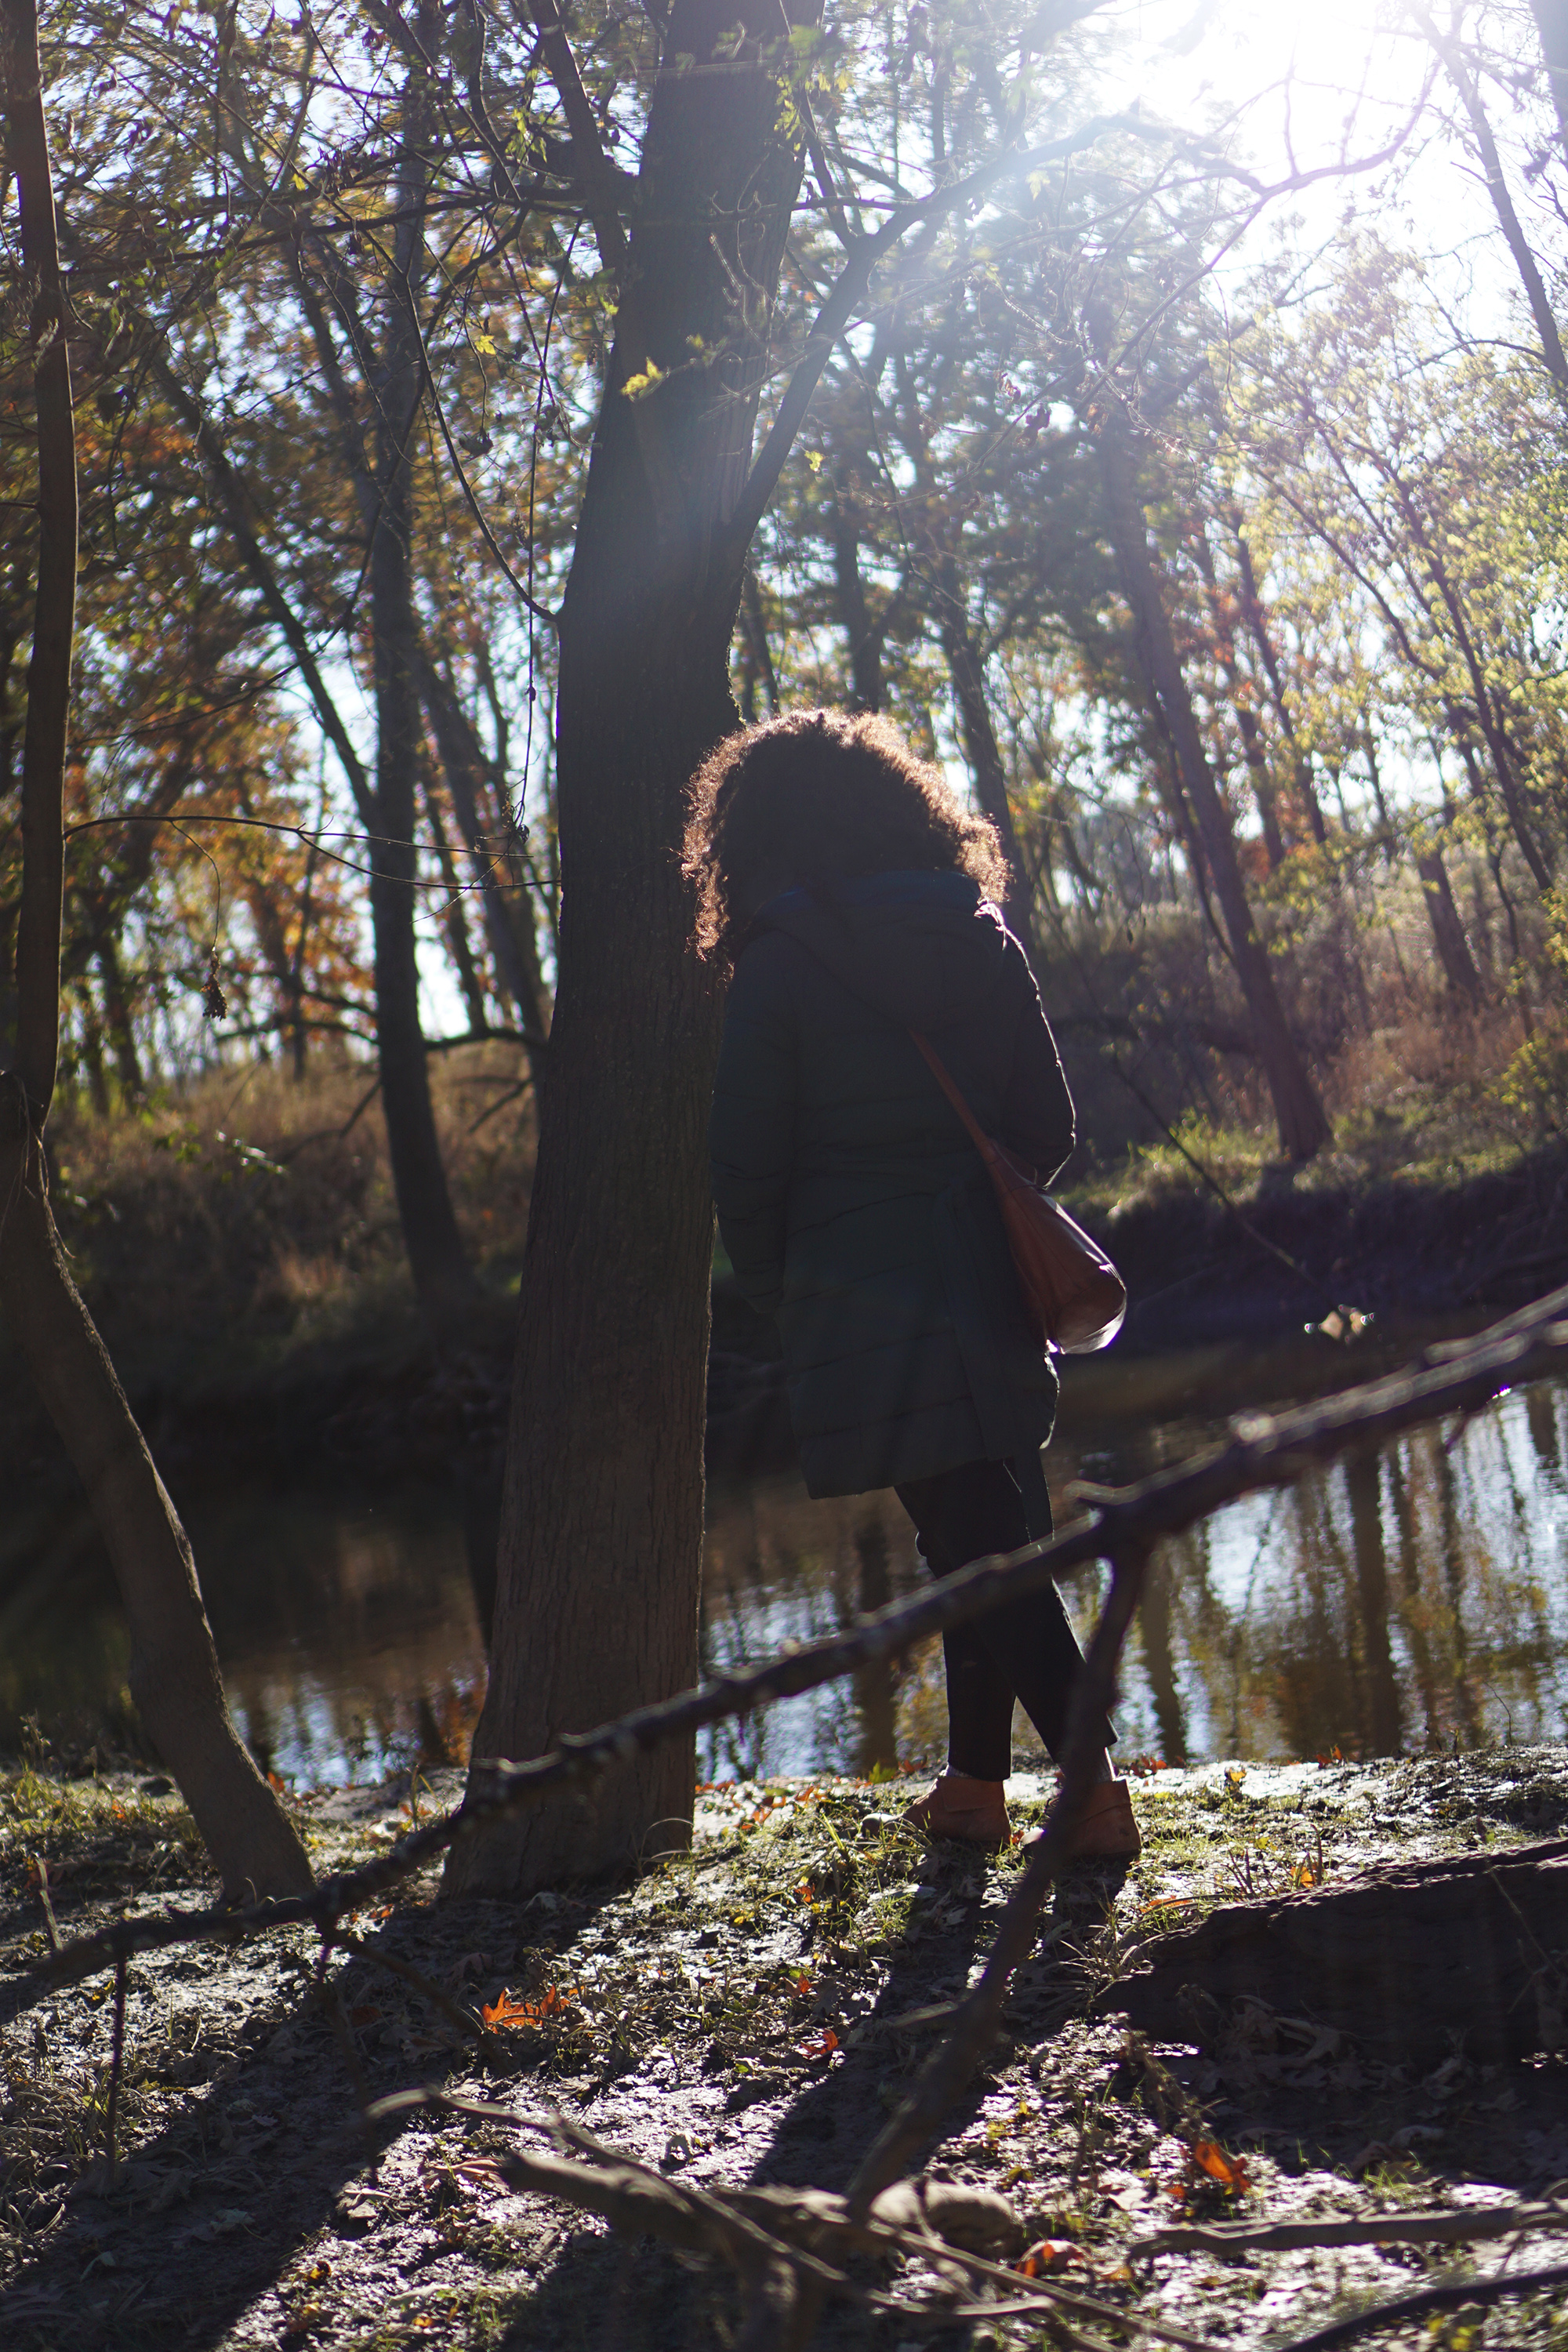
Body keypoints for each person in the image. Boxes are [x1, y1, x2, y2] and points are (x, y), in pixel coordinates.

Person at [685, 707, 1139, 1859]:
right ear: (903, 808)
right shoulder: (977, 931)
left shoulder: (779, 965)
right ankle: (977, 1790)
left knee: (974, 1540)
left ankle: (1089, 1794)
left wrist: (785, 1279)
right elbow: (1048, 1123)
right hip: (983, 1277)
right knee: (980, 1531)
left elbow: (746, 1161)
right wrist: (980, 1199)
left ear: (762, 840)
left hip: (858, 1293)